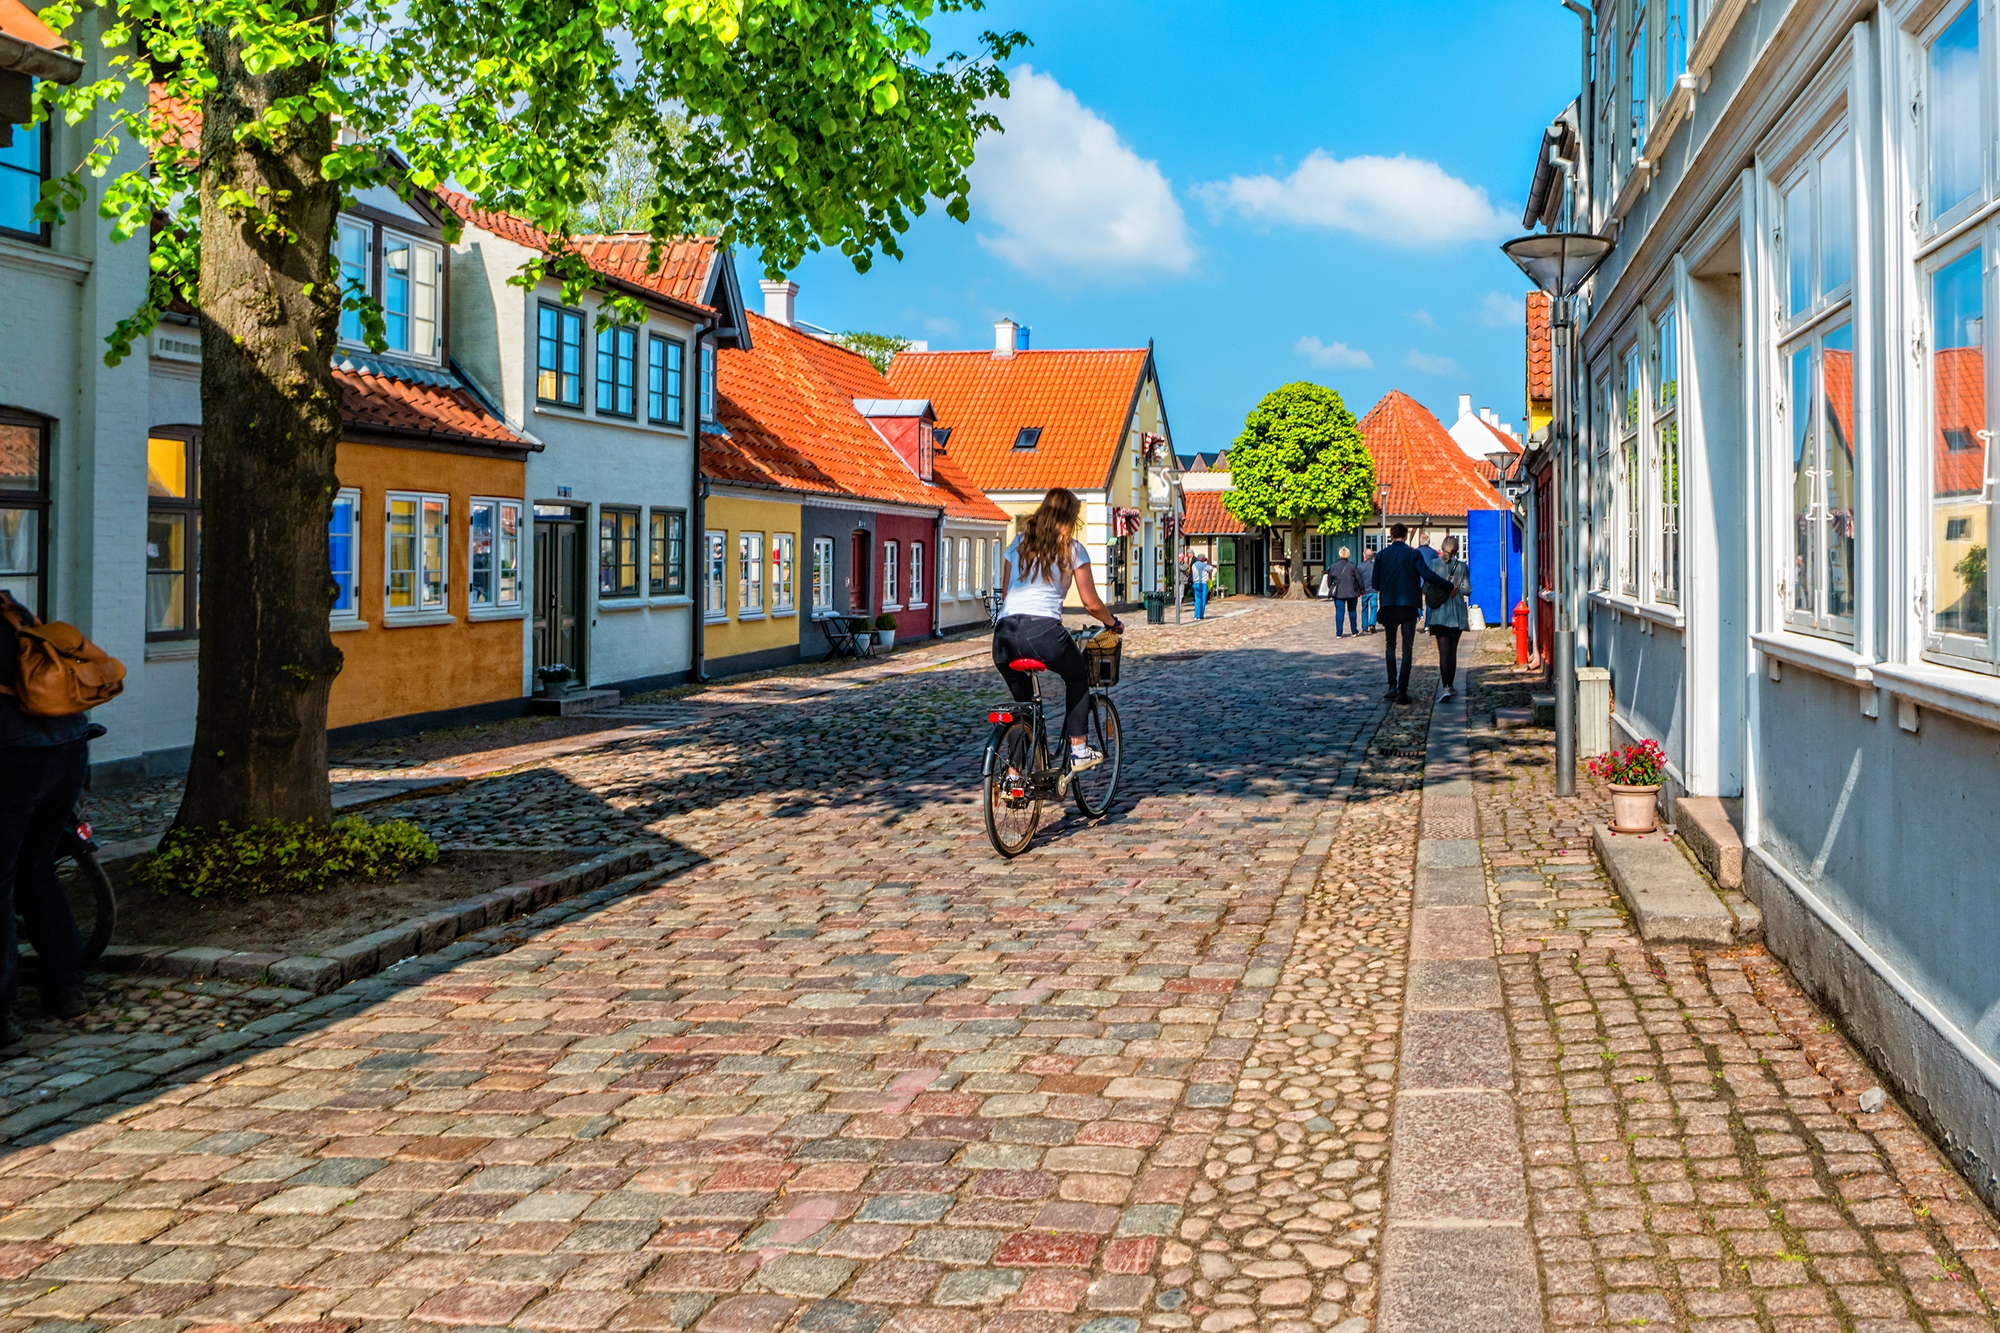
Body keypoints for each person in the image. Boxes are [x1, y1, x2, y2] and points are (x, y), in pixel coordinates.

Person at [0, 591, 92, 1047]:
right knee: (36, 870)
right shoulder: (14, 611)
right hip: (67, 743)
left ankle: (2, 1016)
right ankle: (66, 987)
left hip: (15, 755)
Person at [993, 488, 1122, 772]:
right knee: (1078, 676)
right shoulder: (1074, 550)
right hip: (1045, 634)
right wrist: (1112, 623)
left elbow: (1006, 594)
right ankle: (1078, 749)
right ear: (1071, 517)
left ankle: (1014, 776)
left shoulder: (1018, 543)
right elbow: (1090, 604)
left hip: (1004, 635)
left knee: (1023, 706)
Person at [1371, 524, 1454, 704]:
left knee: (1390, 646)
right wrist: (1448, 586)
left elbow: (1375, 583)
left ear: (1391, 535)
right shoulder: (1413, 553)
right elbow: (1427, 575)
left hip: (1389, 605)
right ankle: (1402, 690)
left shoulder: (1382, 555)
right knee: (1407, 648)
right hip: (1409, 605)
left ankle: (1392, 686)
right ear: (1406, 535)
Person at [1425, 535, 1473, 701]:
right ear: (1456, 549)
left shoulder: (1433, 564)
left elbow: (1425, 588)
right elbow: (1467, 590)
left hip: (1438, 614)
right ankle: (1450, 686)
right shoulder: (1461, 566)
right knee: (1452, 651)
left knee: (1443, 652)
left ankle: (1445, 686)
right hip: (1456, 615)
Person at [1327, 546, 1363, 637]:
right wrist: (1361, 589)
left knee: (1339, 612)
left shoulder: (1333, 566)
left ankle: (1339, 633)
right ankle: (1354, 631)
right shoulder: (1352, 566)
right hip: (1352, 591)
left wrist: (1331, 587)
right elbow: (1359, 579)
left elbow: (1329, 580)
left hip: (1339, 592)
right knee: (1352, 611)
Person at [1359, 548, 1378, 633]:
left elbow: (1358, 579)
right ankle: (1372, 624)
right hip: (1373, 590)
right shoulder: (1375, 566)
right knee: (1374, 608)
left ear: (1364, 556)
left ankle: (1364, 627)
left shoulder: (1360, 566)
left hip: (1364, 591)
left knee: (1364, 609)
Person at [1190, 552, 1212, 620]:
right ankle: (1200, 615)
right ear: (1202, 559)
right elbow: (1211, 569)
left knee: (1197, 600)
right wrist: (1208, 562)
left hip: (1195, 583)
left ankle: (1196, 615)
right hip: (1202, 584)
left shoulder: (1194, 565)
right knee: (1202, 600)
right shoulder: (1204, 565)